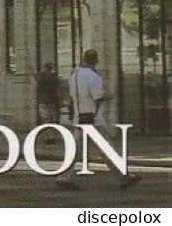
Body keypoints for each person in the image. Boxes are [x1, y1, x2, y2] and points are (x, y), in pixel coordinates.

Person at [57, 49, 141, 190]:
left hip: (79, 117)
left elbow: (72, 96)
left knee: (75, 150)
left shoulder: (73, 75)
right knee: (107, 149)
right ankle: (124, 176)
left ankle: (63, 177)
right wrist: (109, 95)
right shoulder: (92, 76)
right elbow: (98, 95)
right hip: (94, 119)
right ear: (95, 61)